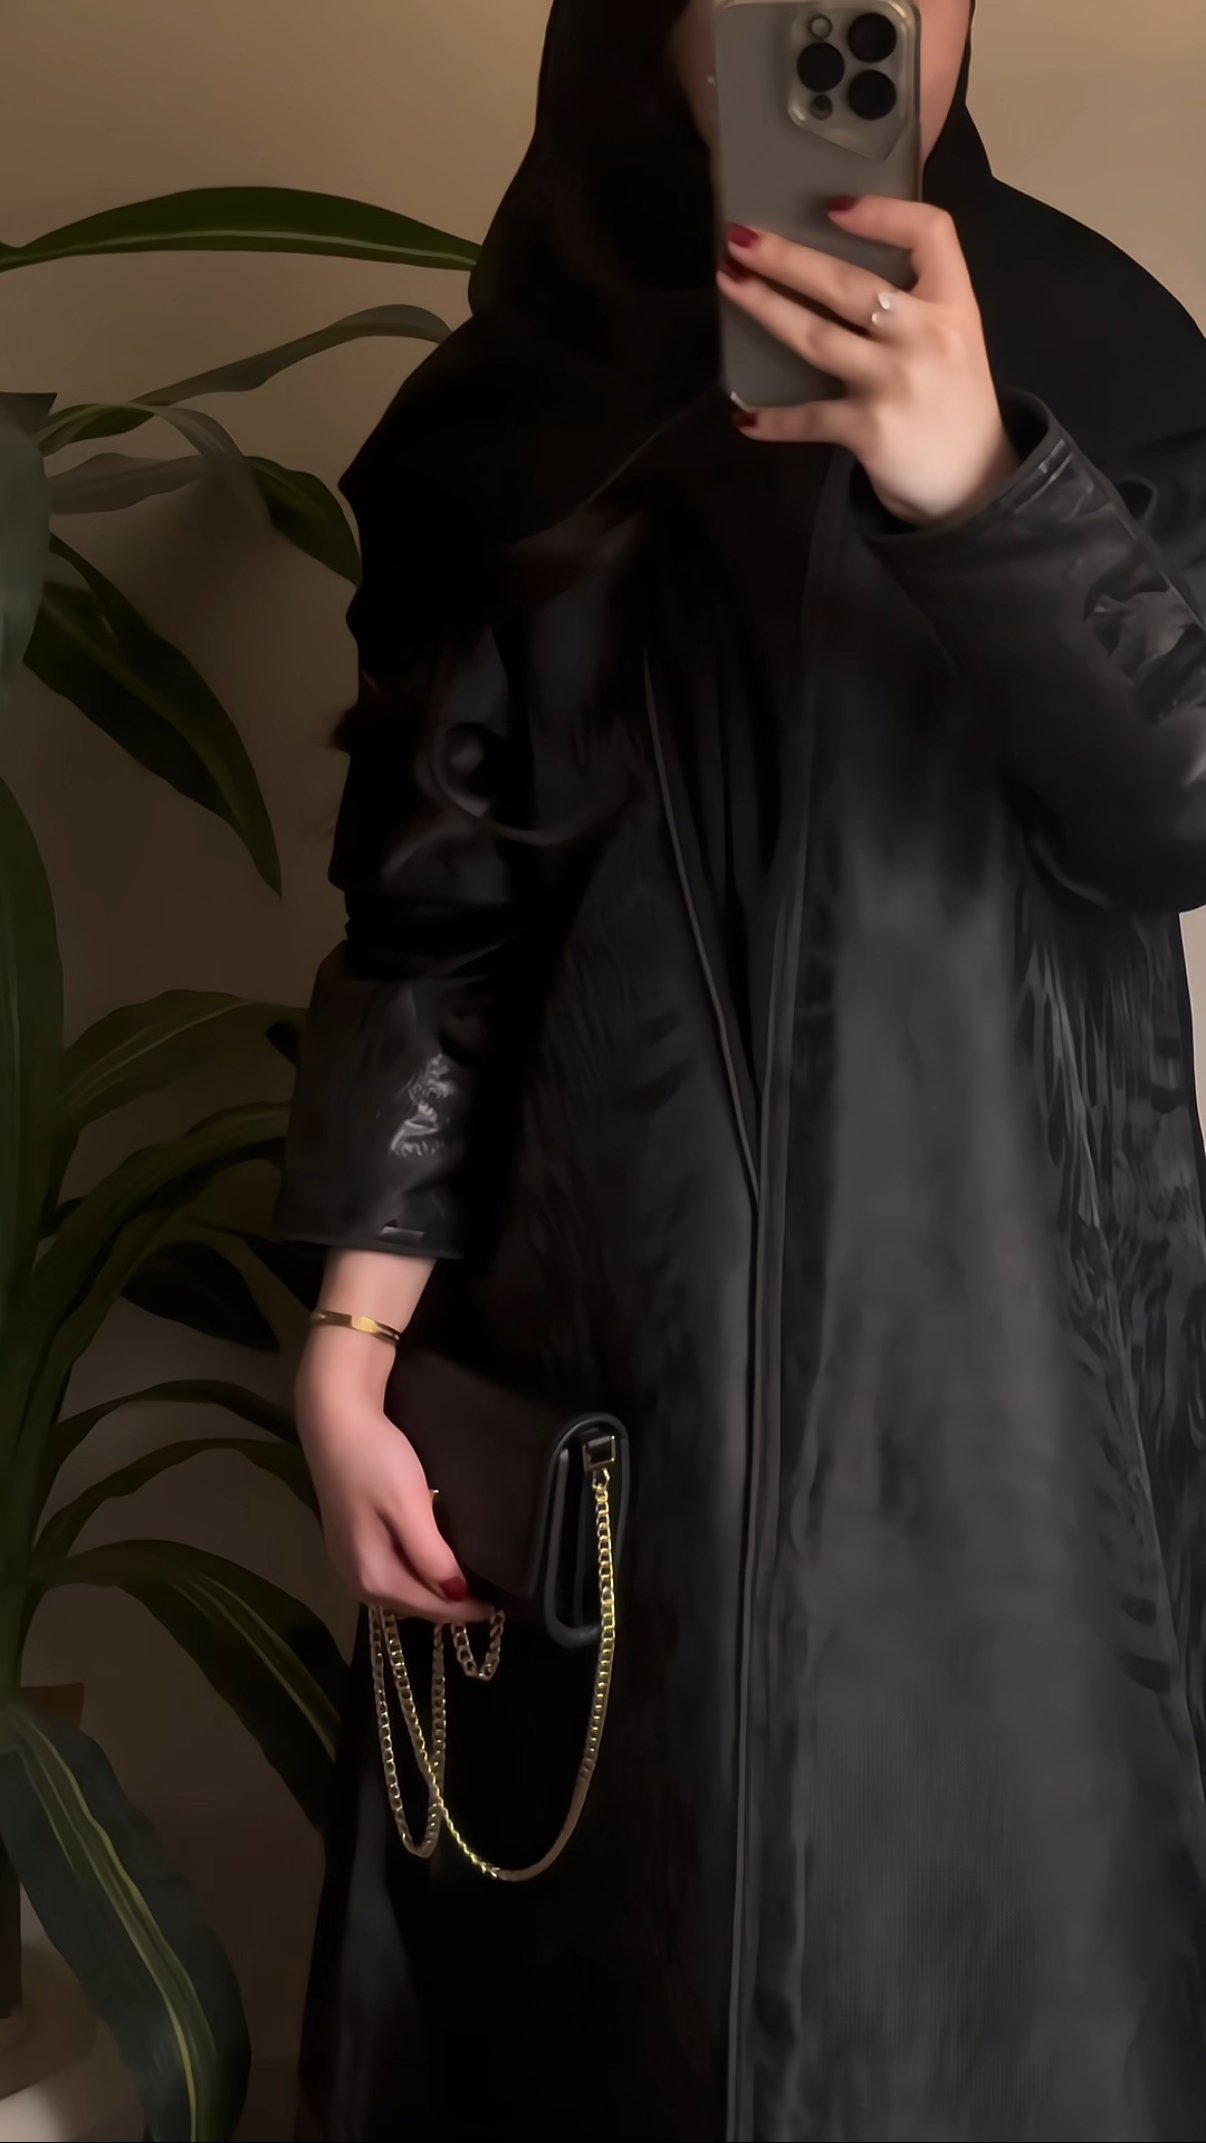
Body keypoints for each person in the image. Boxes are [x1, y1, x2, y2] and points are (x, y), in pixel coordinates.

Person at [278, 1, 1206, 2135]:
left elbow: (1178, 810)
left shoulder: (1105, 351)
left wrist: (982, 487)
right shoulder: (505, 411)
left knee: (1007, 2020)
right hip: (603, 1402)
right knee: (609, 2024)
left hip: (1015, 1420)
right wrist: (350, 1337)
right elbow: (434, 920)